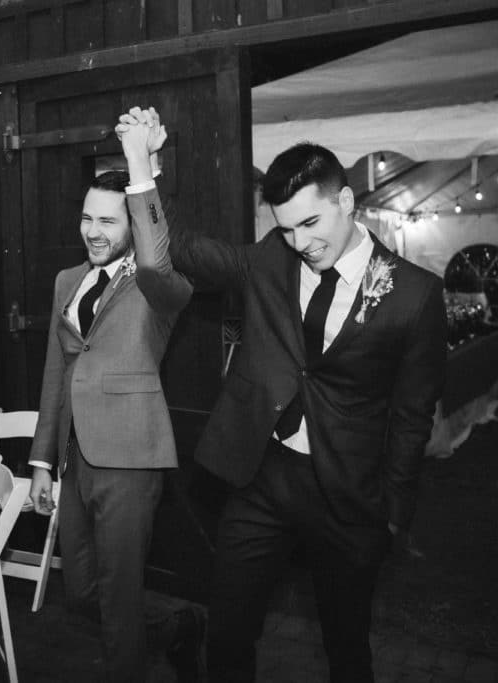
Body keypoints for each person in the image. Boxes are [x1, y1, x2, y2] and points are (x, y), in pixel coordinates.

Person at [117, 107, 446, 682]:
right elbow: (183, 250)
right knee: (229, 635)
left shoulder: (415, 295)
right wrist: (144, 166)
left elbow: (412, 417)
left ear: (347, 202)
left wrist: (391, 517)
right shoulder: (272, 255)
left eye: (312, 223)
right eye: (288, 227)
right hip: (261, 480)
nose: (302, 242)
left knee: (347, 650)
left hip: (347, 493)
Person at [26, 119, 193, 681]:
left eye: (107, 220)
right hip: (75, 460)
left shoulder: (159, 285)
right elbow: (57, 370)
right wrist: (43, 461)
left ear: (132, 223)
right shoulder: (66, 281)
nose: (93, 231)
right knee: (80, 592)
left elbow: (153, 257)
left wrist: (141, 168)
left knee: (120, 604)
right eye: (86, 218)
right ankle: (174, 631)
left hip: (129, 457)